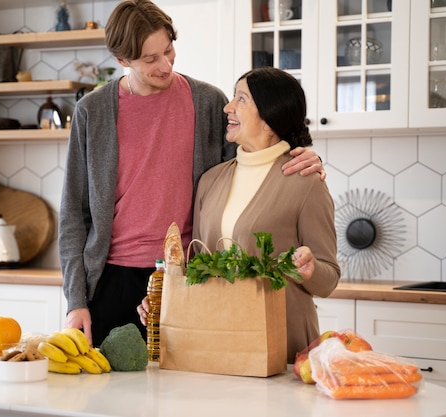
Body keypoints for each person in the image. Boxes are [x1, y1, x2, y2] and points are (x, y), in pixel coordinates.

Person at [59, 0, 325, 348]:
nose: (165, 65)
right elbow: (73, 216)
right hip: (111, 279)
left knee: (183, 396)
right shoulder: (92, 112)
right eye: (151, 59)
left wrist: (300, 152)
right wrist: (76, 300)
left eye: (168, 51)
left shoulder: (208, 102)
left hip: (187, 279)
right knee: (107, 396)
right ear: (123, 60)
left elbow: (251, 164)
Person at [139, 67, 340, 362]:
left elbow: (329, 278)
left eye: (241, 99)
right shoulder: (211, 180)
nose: (227, 107)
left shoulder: (305, 182)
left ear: (270, 118)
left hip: (282, 343)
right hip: (219, 339)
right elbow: (197, 264)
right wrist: (162, 297)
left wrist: (310, 269)